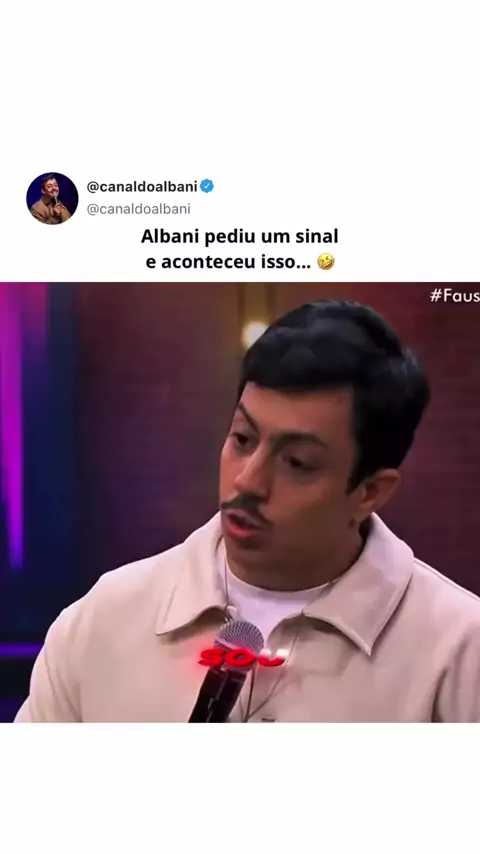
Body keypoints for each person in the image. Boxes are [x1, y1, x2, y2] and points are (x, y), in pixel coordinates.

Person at [15, 300, 480, 722]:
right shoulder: (103, 620)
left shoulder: (458, 651)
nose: (248, 481)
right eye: (242, 439)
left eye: (297, 462)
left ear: (369, 492)